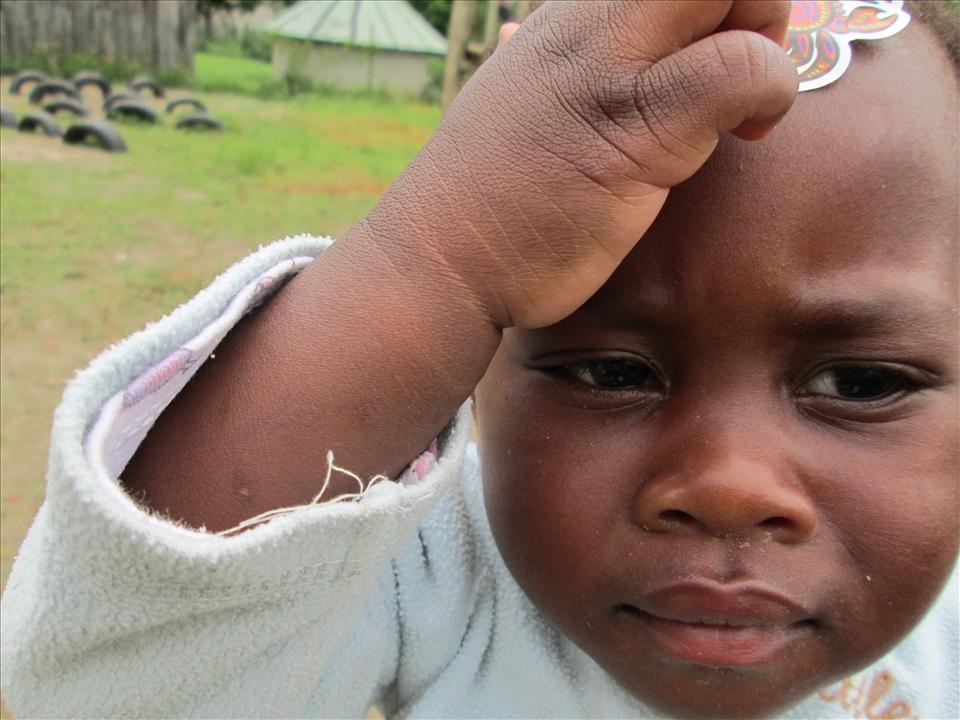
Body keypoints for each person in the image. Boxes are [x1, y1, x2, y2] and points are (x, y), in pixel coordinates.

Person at [1, 1, 957, 718]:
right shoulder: (443, 568)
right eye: (612, 371)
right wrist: (438, 261)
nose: (729, 486)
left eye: (863, 384)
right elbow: (106, 690)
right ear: (480, 374)